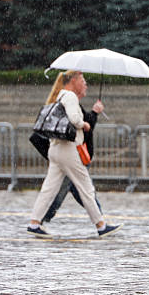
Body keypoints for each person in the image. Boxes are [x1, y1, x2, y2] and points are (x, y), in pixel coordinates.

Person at [26, 70, 122, 239]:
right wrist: (84, 124)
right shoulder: (70, 97)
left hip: (55, 149)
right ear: (74, 80)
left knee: (49, 189)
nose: (84, 82)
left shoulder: (60, 96)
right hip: (68, 149)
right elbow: (74, 119)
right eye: (82, 79)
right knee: (85, 187)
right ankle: (101, 226)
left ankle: (35, 223)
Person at [40, 99, 104, 224]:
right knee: (64, 192)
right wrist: (95, 113)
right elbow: (82, 127)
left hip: (71, 155)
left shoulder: (64, 102)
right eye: (82, 82)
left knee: (78, 191)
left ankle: (101, 220)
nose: (85, 86)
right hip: (73, 156)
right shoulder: (70, 102)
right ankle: (41, 220)